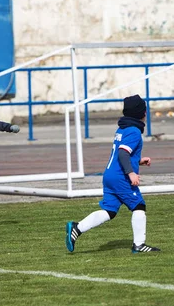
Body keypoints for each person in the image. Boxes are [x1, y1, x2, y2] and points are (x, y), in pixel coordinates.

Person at [66, 94, 160, 253]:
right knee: (138, 205)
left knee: (109, 211)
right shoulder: (134, 132)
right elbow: (123, 154)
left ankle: (77, 228)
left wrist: (138, 161)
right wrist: (131, 173)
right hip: (121, 177)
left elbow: (122, 154)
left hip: (110, 175)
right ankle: (139, 245)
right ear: (141, 114)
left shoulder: (122, 129)